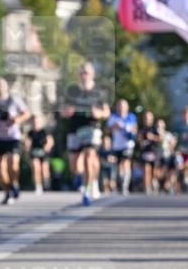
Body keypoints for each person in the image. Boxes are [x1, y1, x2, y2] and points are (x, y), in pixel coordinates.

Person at [60, 61, 110, 206]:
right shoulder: (72, 91)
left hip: (91, 128)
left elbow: (106, 112)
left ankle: (87, 190)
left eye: (86, 72)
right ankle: (89, 179)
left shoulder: (99, 92)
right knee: (75, 166)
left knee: (89, 157)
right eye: (81, 72)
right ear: (78, 74)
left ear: (92, 74)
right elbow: (62, 110)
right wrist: (66, 112)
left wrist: (98, 113)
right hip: (75, 129)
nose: (83, 75)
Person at [0, 78, 30, 203]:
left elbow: (26, 113)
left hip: (13, 136)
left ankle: (14, 183)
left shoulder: (14, 100)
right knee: (0, 168)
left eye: (1, 85)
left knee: (13, 162)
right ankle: (8, 191)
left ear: (6, 87)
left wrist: (17, 120)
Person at [106, 99, 137, 195]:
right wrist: (114, 127)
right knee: (119, 166)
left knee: (126, 162)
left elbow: (135, 129)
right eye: (119, 105)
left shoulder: (131, 117)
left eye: (123, 106)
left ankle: (125, 186)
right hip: (117, 146)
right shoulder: (113, 117)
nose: (121, 108)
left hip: (128, 145)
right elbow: (107, 130)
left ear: (127, 107)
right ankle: (120, 183)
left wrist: (124, 127)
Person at [25, 114, 54, 194]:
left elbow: (50, 141)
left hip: (43, 152)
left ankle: (46, 182)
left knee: (44, 169)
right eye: (34, 122)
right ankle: (38, 186)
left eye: (37, 121)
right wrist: (27, 148)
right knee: (35, 167)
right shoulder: (30, 132)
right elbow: (28, 141)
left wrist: (47, 146)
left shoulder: (45, 131)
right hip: (34, 152)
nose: (35, 123)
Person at [137, 110, 159, 195]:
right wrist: (140, 137)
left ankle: (153, 182)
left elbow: (160, 138)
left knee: (154, 171)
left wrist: (153, 137)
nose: (147, 119)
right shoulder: (141, 129)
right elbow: (138, 140)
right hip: (145, 152)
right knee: (146, 169)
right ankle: (147, 187)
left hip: (153, 152)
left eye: (149, 118)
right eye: (146, 118)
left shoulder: (154, 129)